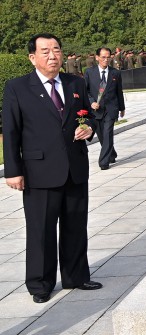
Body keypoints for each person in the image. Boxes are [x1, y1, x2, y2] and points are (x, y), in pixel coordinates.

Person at [3, 34, 102, 303]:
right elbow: (11, 132)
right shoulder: (18, 87)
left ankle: (76, 275)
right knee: (41, 230)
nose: (52, 55)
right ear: (32, 57)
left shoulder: (75, 83)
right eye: (45, 51)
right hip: (39, 172)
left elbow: (90, 115)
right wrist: (13, 170)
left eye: (56, 50)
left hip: (74, 168)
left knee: (75, 225)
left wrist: (90, 127)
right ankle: (40, 283)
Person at [83, 47, 126, 170]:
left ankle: (104, 162)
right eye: (103, 57)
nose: (106, 60)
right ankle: (111, 154)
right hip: (96, 110)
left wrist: (122, 108)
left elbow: (119, 91)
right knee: (101, 135)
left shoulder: (115, 73)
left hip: (111, 109)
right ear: (97, 57)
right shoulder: (89, 72)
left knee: (107, 133)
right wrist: (91, 102)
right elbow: (85, 91)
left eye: (108, 57)